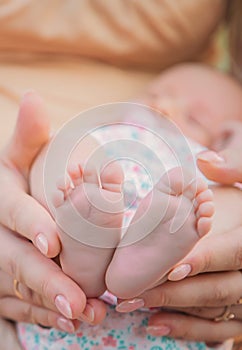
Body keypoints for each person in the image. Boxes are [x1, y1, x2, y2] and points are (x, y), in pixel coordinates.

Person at [16, 62, 242, 348]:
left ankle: (145, 253)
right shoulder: (109, 134)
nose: (165, 107)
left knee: (231, 199)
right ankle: (86, 243)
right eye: (155, 94)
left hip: (172, 286)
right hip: (98, 209)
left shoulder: (206, 165)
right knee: (60, 145)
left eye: (195, 119)